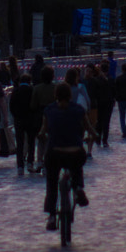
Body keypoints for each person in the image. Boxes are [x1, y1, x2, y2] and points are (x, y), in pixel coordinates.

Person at [40, 81, 93, 227]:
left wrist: (41, 136)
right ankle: (78, 188)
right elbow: (89, 128)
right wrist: (93, 135)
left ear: (56, 94)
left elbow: (43, 130)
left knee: (51, 182)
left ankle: (51, 216)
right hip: (75, 153)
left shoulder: (49, 110)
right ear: (70, 95)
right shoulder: (78, 110)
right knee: (76, 166)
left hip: (55, 154)